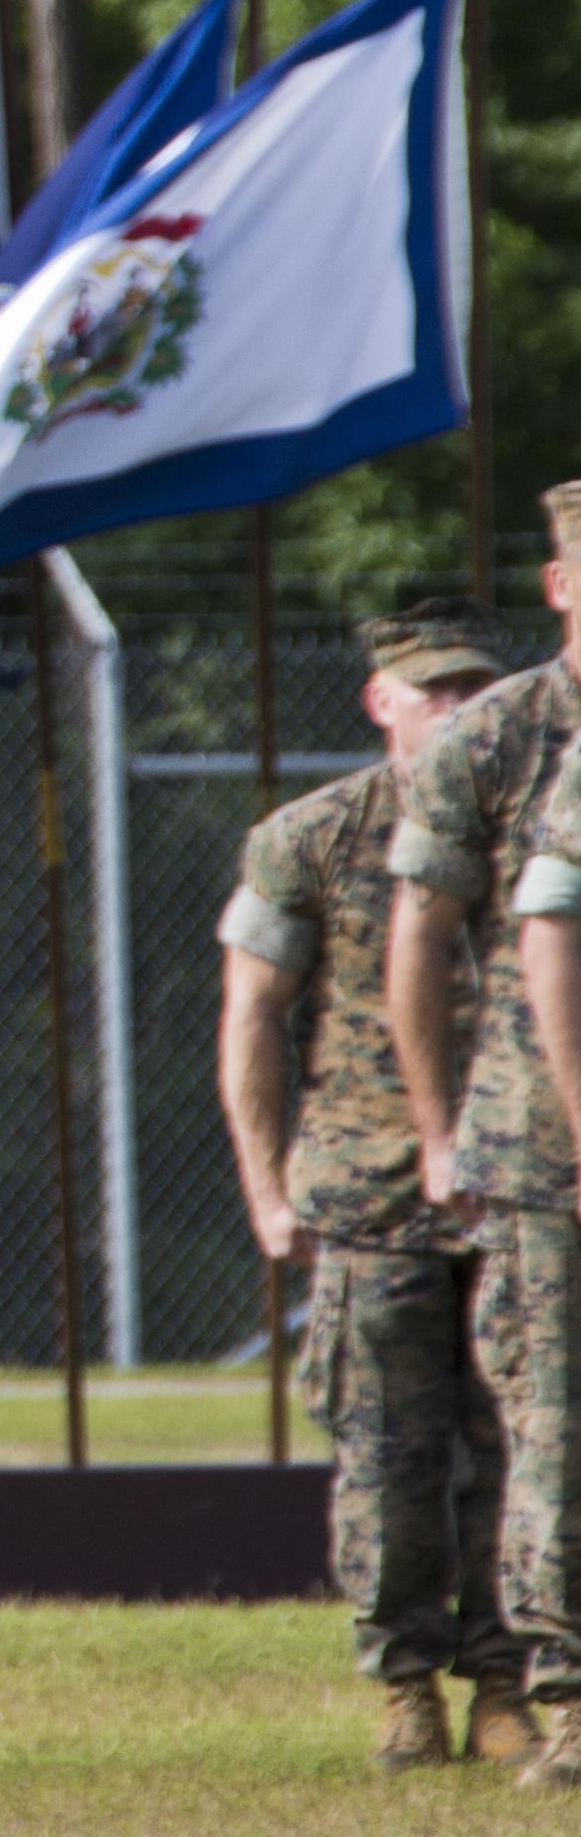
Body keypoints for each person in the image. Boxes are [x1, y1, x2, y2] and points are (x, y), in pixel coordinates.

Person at [224, 599, 523, 1770]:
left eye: (471, 689)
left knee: (521, 1453)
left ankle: (507, 1677)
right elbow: (248, 1014)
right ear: (377, 702)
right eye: (429, 691)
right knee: (389, 1457)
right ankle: (405, 1682)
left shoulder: (536, 823)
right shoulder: (309, 835)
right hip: (366, 1194)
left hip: (516, 1191)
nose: (453, 710)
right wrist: (265, 1186)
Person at [421, 494, 581, 1793]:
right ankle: (569, 1691)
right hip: (539, 1140)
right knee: (554, 1421)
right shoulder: (493, 735)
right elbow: (423, 941)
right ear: (553, 579)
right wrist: (435, 1126)